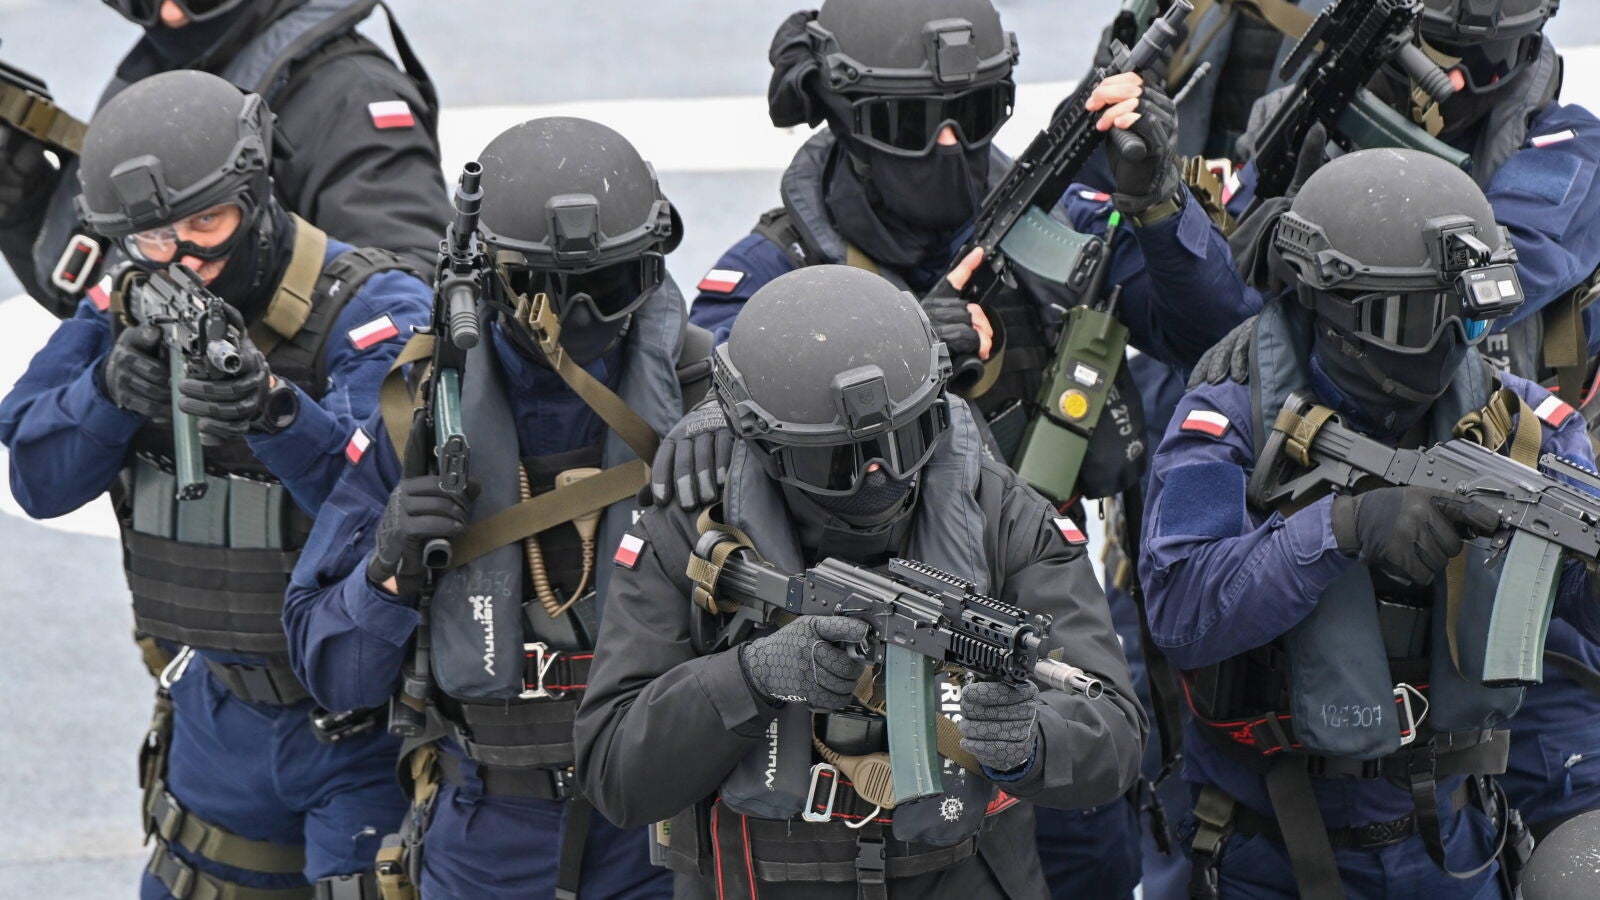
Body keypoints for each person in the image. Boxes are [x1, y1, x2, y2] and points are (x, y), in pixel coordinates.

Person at [665, 3, 1256, 895]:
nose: (950, 146)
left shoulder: (1051, 226)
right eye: (914, 123)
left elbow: (1221, 338)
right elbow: (702, 421)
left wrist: (1157, 205)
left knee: (1093, 861)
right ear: (847, 120)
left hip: (1044, 629)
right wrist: (893, 350)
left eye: (976, 115)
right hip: (859, 673)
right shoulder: (773, 275)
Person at [575, 264, 1147, 899]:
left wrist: (1031, 742)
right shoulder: (693, 527)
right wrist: (750, 677)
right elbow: (613, 771)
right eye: (835, 460)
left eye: (906, 439)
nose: (882, 476)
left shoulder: (1004, 516)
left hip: (961, 872)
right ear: (768, 447)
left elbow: (1115, 733)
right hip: (756, 878)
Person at [0, 70, 434, 899]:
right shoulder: (126, 299)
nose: (186, 259)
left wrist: (276, 414)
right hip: (214, 712)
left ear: (258, 194)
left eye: (208, 222)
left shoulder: (370, 307)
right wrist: (106, 394)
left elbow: (390, 513)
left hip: (362, 729)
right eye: (156, 237)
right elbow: (36, 478)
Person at [1144, 147, 1600, 899]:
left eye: (1466, 313)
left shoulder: (1523, 425)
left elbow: (1579, 606)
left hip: (1454, 836)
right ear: (1335, 310)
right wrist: (1344, 528)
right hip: (1274, 841)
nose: (1448, 343)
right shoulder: (1229, 417)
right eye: (1415, 317)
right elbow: (1181, 610)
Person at [283, 117, 708, 899]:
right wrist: (385, 573)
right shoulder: (422, 414)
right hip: (489, 828)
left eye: (610, 285)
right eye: (544, 287)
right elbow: (336, 672)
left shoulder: (709, 405)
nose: (578, 317)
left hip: (665, 825)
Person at [1211, 0, 1600, 852]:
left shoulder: (1568, 144)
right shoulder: (1311, 113)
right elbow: (1230, 314)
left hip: (1528, 554)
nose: (1455, 71)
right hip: (1340, 570)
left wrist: (1352, 209)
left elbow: (1499, 270)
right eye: (1435, 45)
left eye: (1477, 51)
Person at [0, 0, 448, 318]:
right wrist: (21, 201)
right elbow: (94, 299)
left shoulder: (348, 96)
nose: (170, 14)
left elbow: (412, 294)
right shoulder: (171, 68)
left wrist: (249, 377)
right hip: (158, 416)